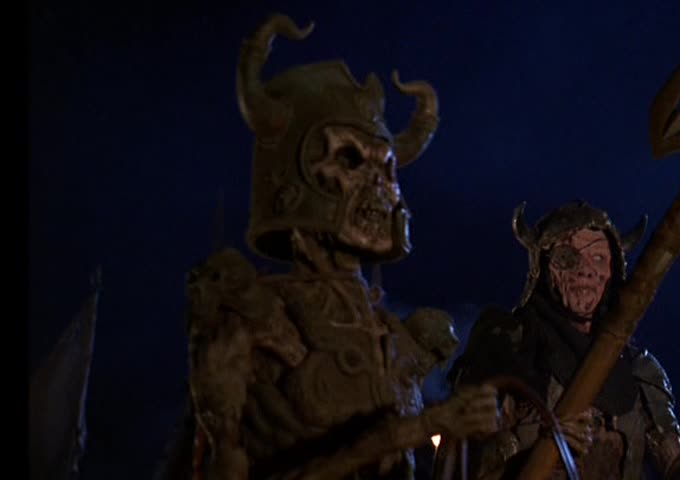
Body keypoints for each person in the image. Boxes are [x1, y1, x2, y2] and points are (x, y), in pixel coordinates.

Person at [174, 13, 500, 480]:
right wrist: (422, 428)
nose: (381, 189)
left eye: (386, 169)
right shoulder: (253, 318)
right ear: (298, 179)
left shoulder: (393, 334)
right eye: (351, 160)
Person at [442, 201, 680, 480]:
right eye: (566, 258)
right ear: (544, 268)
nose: (584, 270)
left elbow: (676, 461)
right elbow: (468, 459)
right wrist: (541, 448)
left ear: (612, 272)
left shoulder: (638, 370)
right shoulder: (508, 347)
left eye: (598, 258)